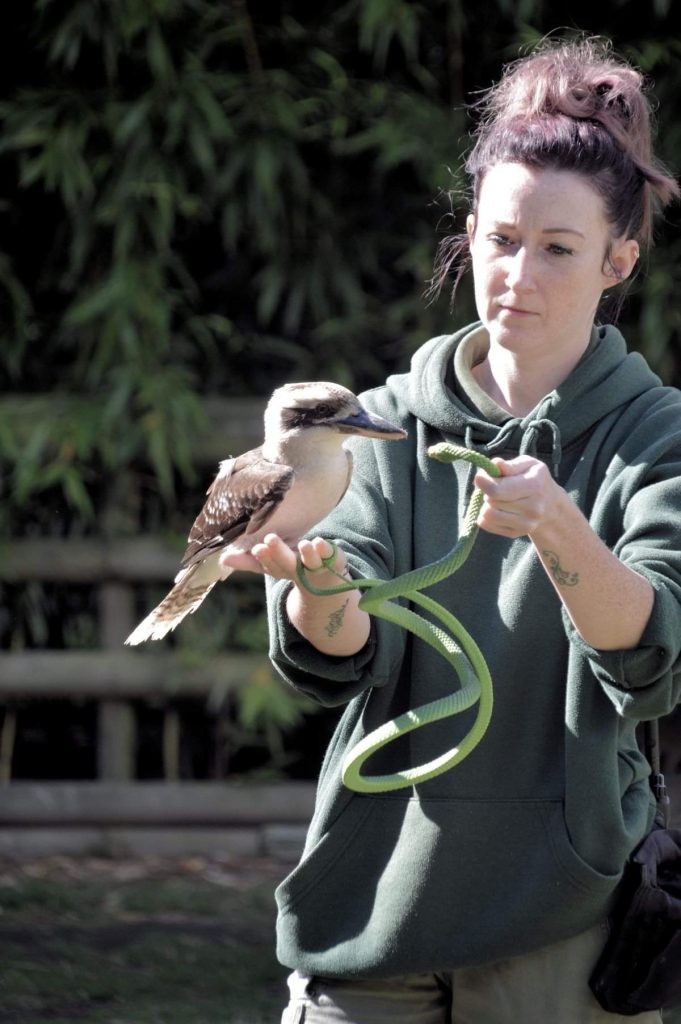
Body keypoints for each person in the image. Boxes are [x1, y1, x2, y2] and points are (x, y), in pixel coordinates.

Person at [221, 37, 681, 1023]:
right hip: (371, 905)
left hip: (565, 919)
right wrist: (320, 587)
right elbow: (336, 654)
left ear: (618, 261)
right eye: (502, 239)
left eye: (559, 248)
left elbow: (653, 657)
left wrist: (558, 527)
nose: (520, 272)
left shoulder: (657, 434)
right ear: (469, 234)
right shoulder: (373, 421)